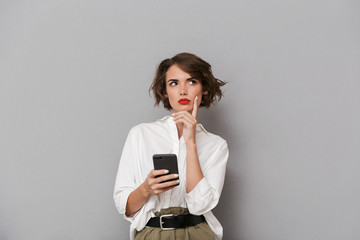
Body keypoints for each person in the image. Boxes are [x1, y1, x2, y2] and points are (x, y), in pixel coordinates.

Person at [113, 52, 229, 240]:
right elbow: (123, 205)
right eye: (174, 83)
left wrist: (191, 143)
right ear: (165, 92)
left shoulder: (216, 145)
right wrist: (146, 189)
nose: (183, 90)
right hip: (153, 232)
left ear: (204, 89)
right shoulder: (141, 134)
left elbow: (200, 206)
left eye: (191, 82)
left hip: (198, 233)